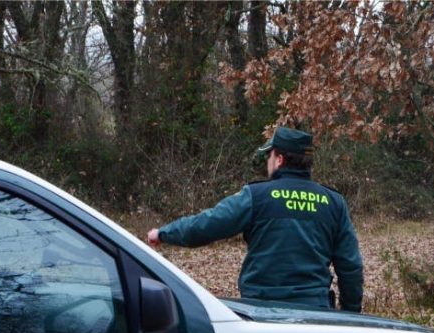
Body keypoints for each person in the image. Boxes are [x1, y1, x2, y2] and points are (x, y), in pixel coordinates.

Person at [147, 127, 364, 312]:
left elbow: (207, 225)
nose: (267, 162)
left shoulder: (256, 196)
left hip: (261, 311)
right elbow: (350, 266)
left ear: (279, 159)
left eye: (269, 156)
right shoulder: (334, 203)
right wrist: (350, 315)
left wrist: (165, 233)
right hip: (315, 312)